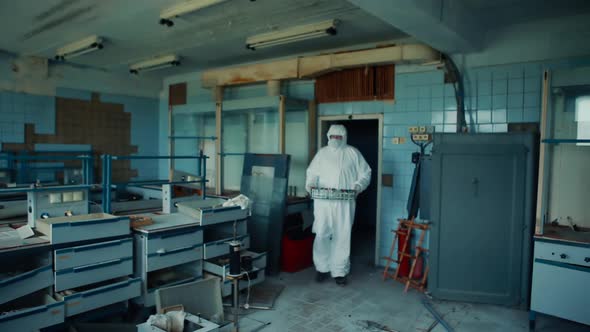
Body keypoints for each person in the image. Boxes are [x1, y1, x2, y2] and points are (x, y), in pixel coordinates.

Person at [305, 124, 371, 286]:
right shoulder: (322, 154)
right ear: (328, 136)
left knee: (342, 235)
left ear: (344, 137)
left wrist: (358, 187)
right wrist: (311, 185)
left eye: (339, 137)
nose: (335, 139)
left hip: (345, 202)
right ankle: (322, 268)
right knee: (321, 233)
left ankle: (339, 271)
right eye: (332, 136)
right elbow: (311, 174)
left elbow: (366, 173)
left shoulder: (353, 153)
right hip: (323, 202)